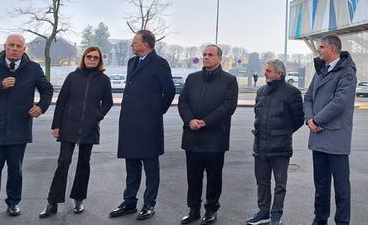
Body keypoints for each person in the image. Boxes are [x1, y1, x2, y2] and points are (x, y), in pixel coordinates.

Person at [0, 34, 54, 219]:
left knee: (15, 171)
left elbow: (47, 89)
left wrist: (41, 106)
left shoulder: (33, 68)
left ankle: (13, 203)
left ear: (24, 49)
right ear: (5, 46)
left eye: (19, 46)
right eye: (11, 45)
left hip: (19, 128)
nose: (15, 49)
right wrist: (0, 85)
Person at [39, 46, 113, 218]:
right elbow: (61, 102)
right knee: (63, 162)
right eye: (89, 56)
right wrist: (56, 125)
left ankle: (79, 198)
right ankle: (52, 202)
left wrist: (97, 116)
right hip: (69, 126)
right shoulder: (72, 77)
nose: (92, 59)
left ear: (99, 60)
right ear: (84, 58)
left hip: (90, 128)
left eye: (95, 57)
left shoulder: (104, 80)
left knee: (83, 164)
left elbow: (108, 102)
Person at [109, 30, 175, 221]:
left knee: (151, 166)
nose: (132, 45)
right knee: (131, 165)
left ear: (145, 44)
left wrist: (157, 112)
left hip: (148, 123)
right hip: (129, 122)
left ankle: (149, 204)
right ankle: (129, 202)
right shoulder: (132, 62)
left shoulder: (159, 63)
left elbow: (169, 91)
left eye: (135, 42)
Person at [178, 45, 238, 225]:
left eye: (211, 55)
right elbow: (183, 102)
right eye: (204, 54)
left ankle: (211, 210)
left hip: (215, 138)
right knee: (193, 177)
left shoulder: (229, 80)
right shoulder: (192, 78)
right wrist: (190, 120)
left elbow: (228, 106)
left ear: (219, 58)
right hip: (192, 136)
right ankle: (193, 210)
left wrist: (205, 122)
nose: (206, 57)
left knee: (214, 177)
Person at [303, 35, 357, 225]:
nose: (318, 50)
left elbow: (340, 103)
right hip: (318, 136)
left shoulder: (347, 73)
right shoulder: (320, 71)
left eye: (322, 47)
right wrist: (309, 120)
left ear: (333, 49)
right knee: (321, 184)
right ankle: (320, 219)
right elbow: (308, 98)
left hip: (336, 137)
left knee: (341, 187)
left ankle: (342, 222)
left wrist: (316, 120)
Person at [245, 59, 304, 225]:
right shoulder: (261, 91)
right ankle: (263, 212)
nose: (265, 74)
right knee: (262, 182)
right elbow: (258, 115)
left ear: (280, 73)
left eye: (269, 71)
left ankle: (276, 214)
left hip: (281, 147)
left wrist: (283, 133)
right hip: (260, 146)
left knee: (280, 184)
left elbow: (299, 119)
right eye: (265, 70)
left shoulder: (292, 93)